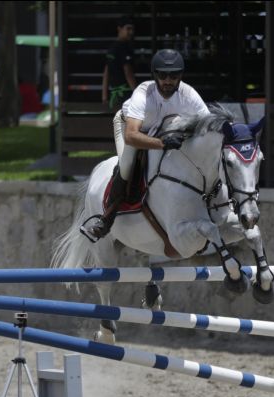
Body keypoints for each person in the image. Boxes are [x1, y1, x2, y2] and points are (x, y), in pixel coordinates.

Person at [86, 48, 210, 239]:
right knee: (127, 165)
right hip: (130, 128)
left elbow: (207, 126)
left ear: (181, 75)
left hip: (161, 133)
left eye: (174, 75)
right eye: (162, 75)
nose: (168, 80)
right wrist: (162, 143)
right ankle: (106, 218)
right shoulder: (144, 92)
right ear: (155, 75)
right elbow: (132, 136)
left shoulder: (189, 94)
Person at [103, 16, 137, 110]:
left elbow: (106, 72)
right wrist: (136, 93)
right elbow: (128, 72)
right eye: (128, 29)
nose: (131, 32)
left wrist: (104, 96)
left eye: (132, 29)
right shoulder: (125, 48)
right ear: (119, 29)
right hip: (126, 95)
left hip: (114, 98)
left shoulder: (111, 49)